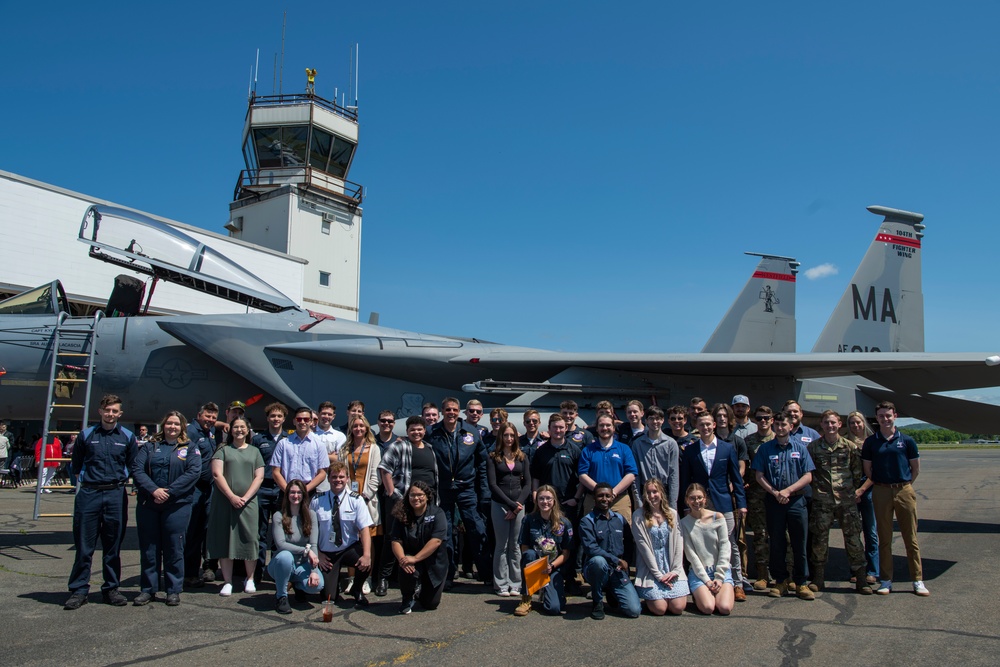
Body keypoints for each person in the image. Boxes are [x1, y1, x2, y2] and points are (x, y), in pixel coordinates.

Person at [64, 394, 138, 610]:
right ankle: (79, 590)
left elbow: (133, 465)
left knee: (112, 546)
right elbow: (76, 466)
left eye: (115, 411)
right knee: (84, 546)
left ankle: (111, 589)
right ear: (100, 411)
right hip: (89, 495)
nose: (110, 414)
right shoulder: (86, 435)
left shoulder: (127, 436)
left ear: (120, 413)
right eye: (107, 410)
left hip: (115, 494)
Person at [131, 411, 201, 606]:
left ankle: (173, 589)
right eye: (169, 423)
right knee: (149, 548)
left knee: (174, 547)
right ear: (164, 425)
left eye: (176, 424)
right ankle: (148, 589)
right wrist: (154, 490)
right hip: (149, 504)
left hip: (176, 505)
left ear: (182, 427)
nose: (172, 427)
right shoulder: (150, 447)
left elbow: (193, 472)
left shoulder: (190, 448)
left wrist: (169, 492)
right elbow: (137, 470)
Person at [861, 401, 928, 596]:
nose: (885, 419)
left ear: (895, 416)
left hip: (904, 489)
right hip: (881, 490)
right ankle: (886, 580)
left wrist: (904, 486)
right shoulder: (871, 442)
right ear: (877, 418)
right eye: (881, 416)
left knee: (911, 538)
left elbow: (915, 469)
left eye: (888, 415)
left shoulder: (906, 440)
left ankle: (917, 579)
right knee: (884, 538)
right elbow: (868, 469)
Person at [679, 412, 748, 601]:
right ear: (697, 427)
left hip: (723, 503)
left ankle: (737, 583)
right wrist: (685, 506)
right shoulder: (691, 450)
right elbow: (686, 480)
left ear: (714, 425)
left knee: (730, 543)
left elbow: (736, 478)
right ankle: (703, 580)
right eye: (702, 425)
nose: (706, 428)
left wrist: (741, 503)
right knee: (697, 544)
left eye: (709, 424)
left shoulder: (727, 449)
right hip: (698, 505)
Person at [751, 411, 815, 600]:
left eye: (783, 425)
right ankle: (780, 581)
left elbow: (808, 475)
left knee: (799, 542)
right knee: (777, 542)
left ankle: (801, 582)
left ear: (791, 427)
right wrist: (775, 492)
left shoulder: (801, 448)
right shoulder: (765, 449)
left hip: (796, 500)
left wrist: (788, 491)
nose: (780, 428)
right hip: (774, 501)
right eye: (777, 425)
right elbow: (759, 475)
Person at [807, 410, 873, 595]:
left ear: (839, 424)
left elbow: (857, 472)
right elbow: (810, 473)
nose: (830, 426)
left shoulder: (849, 447)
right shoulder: (813, 448)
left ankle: (861, 579)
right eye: (827, 422)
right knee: (819, 541)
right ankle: (818, 579)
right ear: (822, 424)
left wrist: (854, 492)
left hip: (846, 502)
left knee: (853, 541)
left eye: (833, 422)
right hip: (822, 502)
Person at [427, 397, 490, 584]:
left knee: (477, 530)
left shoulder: (471, 432)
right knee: (445, 534)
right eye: (448, 410)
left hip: (466, 488)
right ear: (442, 411)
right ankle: (447, 575)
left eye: (454, 410)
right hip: (443, 489)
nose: (451, 413)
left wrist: (484, 491)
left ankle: (485, 574)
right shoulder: (432, 432)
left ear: (459, 411)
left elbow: (482, 463)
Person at [207, 416, 265, 596]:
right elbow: (217, 474)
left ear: (248, 431)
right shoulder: (223, 449)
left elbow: (259, 476)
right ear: (230, 430)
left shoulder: (255, 451)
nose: (239, 430)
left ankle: (249, 578)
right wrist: (232, 496)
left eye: (243, 427)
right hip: (225, 500)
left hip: (248, 502)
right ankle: (227, 581)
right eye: (236, 427)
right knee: (226, 539)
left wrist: (245, 497)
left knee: (250, 538)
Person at [311, 460, 373, 607]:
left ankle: (357, 589)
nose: (337, 480)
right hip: (326, 553)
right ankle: (334, 582)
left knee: (365, 563)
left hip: (348, 548)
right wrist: (318, 553)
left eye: (341, 477)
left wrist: (367, 555)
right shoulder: (316, 501)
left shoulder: (356, 500)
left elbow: (364, 529)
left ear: (346, 479)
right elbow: (310, 530)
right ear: (328, 478)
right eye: (334, 477)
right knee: (329, 598)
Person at [579, 483, 641, 620]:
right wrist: (616, 560)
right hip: (595, 568)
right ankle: (597, 601)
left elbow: (630, 543)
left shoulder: (619, 519)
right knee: (598, 561)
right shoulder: (587, 521)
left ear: (612, 498)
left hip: (616, 570)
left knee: (634, 610)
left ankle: (611, 591)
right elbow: (591, 548)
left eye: (608, 496)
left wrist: (626, 562)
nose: (604, 499)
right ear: (594, 498)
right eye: (600, 496)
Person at [338, 415, 382, 596]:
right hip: (348, 498)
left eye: (361, 426)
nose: (358, 429)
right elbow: (341, 472)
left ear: (366, 429)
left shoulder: (374, 449)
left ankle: (366, 578)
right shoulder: (344, 449)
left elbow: (375, 475)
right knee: (350, 537)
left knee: (367, 538)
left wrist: (365, 495)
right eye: (355, 426)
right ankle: (350, 578)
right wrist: (349, 495)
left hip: (367, 500)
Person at [487, 422, 532, 597]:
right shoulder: (493, 457)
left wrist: (518, 504)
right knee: (502, 545)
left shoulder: (522, 456)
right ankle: (501, 583)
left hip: (519, 505)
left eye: (512, 435)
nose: (509, 438)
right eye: (506, 435)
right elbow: (492, 484)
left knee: (515, 546)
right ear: (501, 437)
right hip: (500, 505)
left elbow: (527, 483)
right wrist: (510, 505)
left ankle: (516, 583)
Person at [632, 478, 689, 616]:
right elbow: (643, 549)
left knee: (677, 608)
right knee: (660, 609)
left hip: (672, 568)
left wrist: (675, 571)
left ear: (661, 493)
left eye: (655, 491)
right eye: (648, 492)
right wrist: (659, 576)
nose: (652, 496)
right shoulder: (638, 516)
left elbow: (678, 544)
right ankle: (650, 599)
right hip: (651, 570)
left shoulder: (673, 514)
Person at [391, 480, 449, 614]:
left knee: (430, 604)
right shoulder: (401, 513)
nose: (416, 498)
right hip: (410, 559)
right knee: (405, 568)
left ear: (427, 496)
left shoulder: (437, 513)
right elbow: (395, 541)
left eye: (420, 495)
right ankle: (407, 597)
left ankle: (420, 591)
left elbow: (436, 541)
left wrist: (416, 558)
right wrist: (402, 559)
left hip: (433, 562)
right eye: (412, 495)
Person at [514, 484, 573, 616]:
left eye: (548, 498)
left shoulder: (564, 523)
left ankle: (547, 591)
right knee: (529, 554)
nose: (545, 502)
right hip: (534, 565)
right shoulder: (528, 519)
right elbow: (524, 547)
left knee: (554, 609)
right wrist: (537, 566)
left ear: (554, 501)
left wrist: (551, 566)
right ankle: (526, 598)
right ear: (536, 500)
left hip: (553, 567)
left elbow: (566, 553)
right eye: (541, 498)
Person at [268, 479, 323, 614]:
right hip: (281, 563)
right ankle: (281, 596)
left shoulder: (311, 515)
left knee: (317, 585)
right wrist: (306, 550)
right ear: (287, 495)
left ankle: (298, 586)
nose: (296, 495)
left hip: (302, 563)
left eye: (299, 492)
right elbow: (281, 545)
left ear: (304, 495)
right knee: (285, 556)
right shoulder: (278, 516)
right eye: (292, 492)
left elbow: (314, 544)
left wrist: (314, 571)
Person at [680, 483, 735, 615]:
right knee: (708, 608)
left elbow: (725, 547)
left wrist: (720, 577)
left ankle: (720, 591)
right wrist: (707, 580)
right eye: (692, 498)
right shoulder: (684, 523)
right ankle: (700, 593)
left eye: (699, 498)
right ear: (687, 500)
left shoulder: (718, 517)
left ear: (705, 499)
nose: (696, 501)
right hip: (700, 573)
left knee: (724, 608)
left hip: (720, 569)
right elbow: (691, 555)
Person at [250, 402, 287, 582]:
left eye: (279, 416)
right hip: (262, 488)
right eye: (273, 416)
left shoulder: (288, 439)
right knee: (260, 531)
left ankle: (274, 570)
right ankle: (257, 571)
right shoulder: (258, 439)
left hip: (281, 489)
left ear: (284, 419)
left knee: (280, 532)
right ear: (267, 418)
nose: (276, 419)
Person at [578, 414, 638, 522]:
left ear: (614, 428)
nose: (605, 428)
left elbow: (631, 474)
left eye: (608, 425)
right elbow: (582, 475)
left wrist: (613, 492)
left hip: (620, 500)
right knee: (591, 533)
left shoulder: (624, 449)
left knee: (624, 534)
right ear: (597, 428)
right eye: (601, 425)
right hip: (593, 499)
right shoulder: (588, 450)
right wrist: (600, 492)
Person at [184, 402, 219, 587]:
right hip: (194, 489)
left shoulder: (209, 432)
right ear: (199, 415)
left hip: (207, 489)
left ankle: (200, 569)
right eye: (207, 416)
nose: (210, 420)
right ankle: (188, 573)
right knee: (192, 531)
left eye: (214, 417)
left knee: (204, 530)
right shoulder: (191, 432)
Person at [744, 405, 775, 590]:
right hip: (756, 495)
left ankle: (783, 574)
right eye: (760, 418)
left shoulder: (779, 439)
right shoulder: (749, 441)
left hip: (778, 494)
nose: (763, 421)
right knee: (760, 535)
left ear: (772, 419)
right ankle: (763, 574)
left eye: (766, 418)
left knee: (782, 535)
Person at [847, 410, 879, 584]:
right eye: (852, 423)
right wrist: (852, 491)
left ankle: (873, 570)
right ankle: (857, 569)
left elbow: (875, 471)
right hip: (850, 492)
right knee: (852, 533)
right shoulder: (845, 443)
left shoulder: (873, 442)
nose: (855, 425)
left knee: (871, 531)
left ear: (863, 423)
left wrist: (861, 490)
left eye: (858, 422)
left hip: (868, 490)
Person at [629, 406, 680, 509]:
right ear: (646, 420)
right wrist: (637, 500)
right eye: (651, 418)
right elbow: (635, 475)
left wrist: (673, 503)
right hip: (645, 491)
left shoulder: (671, 444)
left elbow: (674, 474)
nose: (655, 421)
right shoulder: (637, 444)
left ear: (662, 420)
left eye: (658, 418)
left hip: (664, 491)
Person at [271, 406, 328, 496]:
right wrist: (289, 491)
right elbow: (275, 471)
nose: (302, 422)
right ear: (294, 421)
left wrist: (304, 490)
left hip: (309, 492)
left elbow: (322, 473)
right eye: (299, 419)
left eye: (306, 419)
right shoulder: (283, 443)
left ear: (311, 421)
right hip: (286, 491)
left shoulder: (319, 445)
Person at [314, 401, 347, 494]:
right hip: (312, 482)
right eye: (324, 413)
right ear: (318, 414)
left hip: (331, 484)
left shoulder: (339, 436)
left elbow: (340, 459)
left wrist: (319, 454)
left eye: (329, 414)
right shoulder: (310, 435)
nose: (326, 417)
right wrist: (330, 456)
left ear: (333, 416)